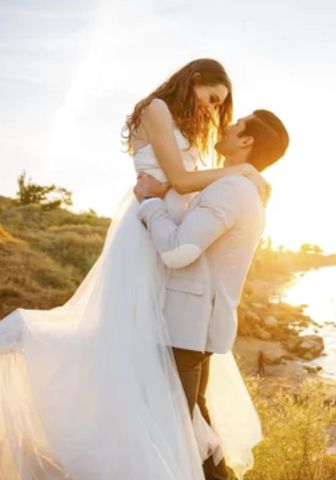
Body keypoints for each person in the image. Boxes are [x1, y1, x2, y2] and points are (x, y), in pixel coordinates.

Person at [0, 59, 269, 479]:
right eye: (212, 99)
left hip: (167, 231)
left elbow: (187, 192)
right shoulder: (156, 109)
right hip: (146, 231)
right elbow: (179, 180)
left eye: (220, 107)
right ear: (194, 80)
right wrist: (243, 170)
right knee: (123, 345)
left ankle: (170, 455)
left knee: (151, 361)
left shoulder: (185, 125)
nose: (214, 111)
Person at [134, 109, 289, 480]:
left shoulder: (232, 189)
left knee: (177, 432)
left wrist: (150, 202)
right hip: (193, 327)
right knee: (195, 427)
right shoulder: (237, 188)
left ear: (246, 141)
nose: (228, 124)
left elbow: (178, 251)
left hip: (184, 328)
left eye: (238, 124)